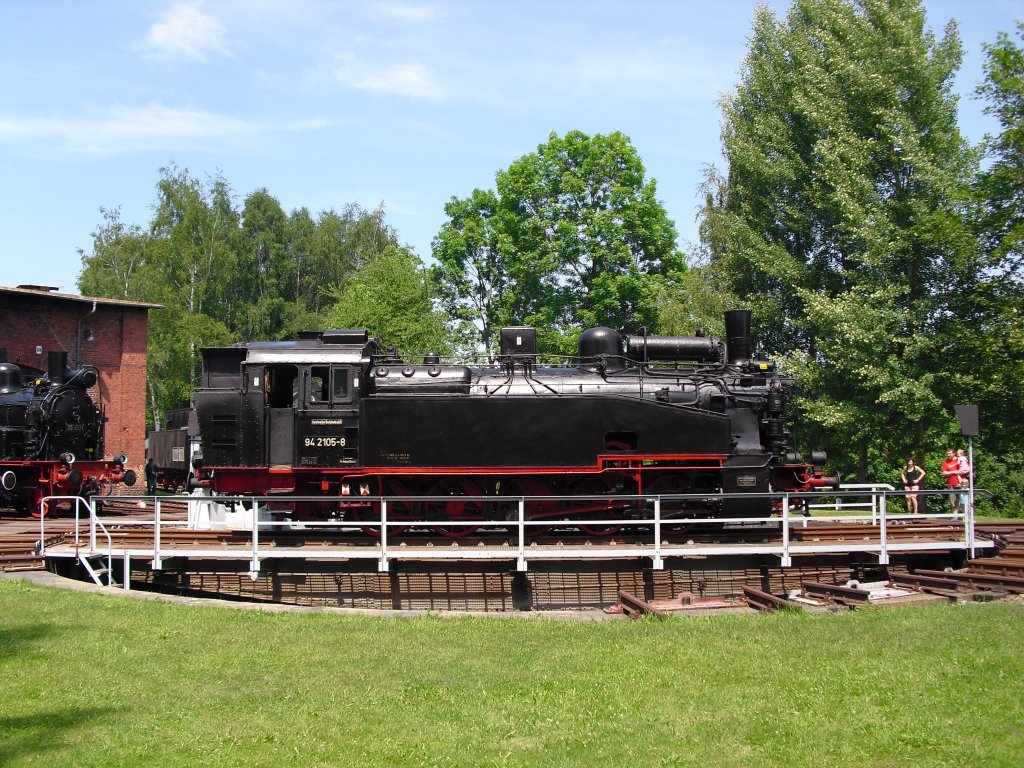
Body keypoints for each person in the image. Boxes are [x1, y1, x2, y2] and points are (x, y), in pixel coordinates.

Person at [940, 448, 962, 513]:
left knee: (962, 500)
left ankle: (965, 516)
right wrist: (953, 472)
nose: (948, 455)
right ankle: (955, 516)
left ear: (953, 453)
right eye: (947, 454)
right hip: (951, 483)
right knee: (953, 500)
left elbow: (965, 466)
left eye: (949, 453)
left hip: (961, 482)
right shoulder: (946, 462)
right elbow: (944, 473)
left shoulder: (959, 459)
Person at [957, 448, 972, 514]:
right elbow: (967, 463)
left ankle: (960, 479)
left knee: (958, 474)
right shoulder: (965, 458)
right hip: (967, 469)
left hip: (962, 469)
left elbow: (957, 463)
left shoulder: (959, 458)